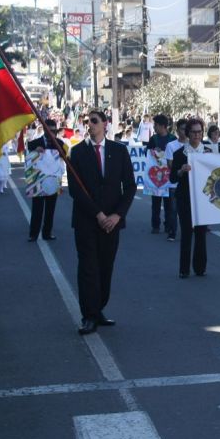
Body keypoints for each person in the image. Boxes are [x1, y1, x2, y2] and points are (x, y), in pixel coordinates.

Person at [67, 109, 137, 335]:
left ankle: (98, 309)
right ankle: (88, 315)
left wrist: (117, 215)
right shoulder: (77, 152)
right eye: (88, 122)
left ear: (106, 124)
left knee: (106, 267)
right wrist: (98, 214)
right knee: (88, 268)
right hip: (87, 221)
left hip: (112, 223)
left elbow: (130, 186)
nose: (90, 125)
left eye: (95, 121)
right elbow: (76, 190)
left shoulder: (119, 151)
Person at [170, 117, 211, 278]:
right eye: (193, 132)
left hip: (203, 197)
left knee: (201, 233)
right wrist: (181, 170)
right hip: (185, 197)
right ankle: (184, 269)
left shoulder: (207, 152)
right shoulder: (180, 154)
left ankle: (200, 268)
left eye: (199, 132)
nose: (197, 135)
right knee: (187, 232)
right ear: (187, 133)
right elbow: (172, 178)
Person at [27, 119, 66, 241]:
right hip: (38, 181)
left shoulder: (59, 142)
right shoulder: (34, 143)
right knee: (37, 209)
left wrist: (60, 152)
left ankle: (47, 233)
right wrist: (35, 151)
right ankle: (33, 234)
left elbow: (66, 157)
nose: (52, 133)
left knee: (50, 210)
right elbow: (28, 160)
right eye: (50, 130)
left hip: (53, 181)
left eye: (54, 130)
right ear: (44, 129)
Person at [146, 115, 176, 236]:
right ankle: (155, 225)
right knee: (156, 202)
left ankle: (169, 225)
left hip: (168, 176)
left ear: (163, 126)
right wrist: (153, 151)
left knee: (169, 203)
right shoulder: (153, 139)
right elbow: (147, 152)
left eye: (156, 125)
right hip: (156, 176)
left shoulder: (173, 139)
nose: (154, 127)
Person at [164, 119, 188, 242]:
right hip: (175, 182)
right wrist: (182, 168)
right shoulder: (171, 145)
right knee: (173, 209)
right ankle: (172, 232)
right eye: (182, 129)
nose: (184, 132)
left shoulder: (194, 145)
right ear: (177, 130)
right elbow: (170, 164)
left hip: (190, 183)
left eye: (186, 129)